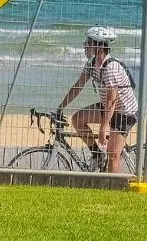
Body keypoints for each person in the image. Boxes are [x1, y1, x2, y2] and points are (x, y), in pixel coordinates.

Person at [57, 25, 138, 172]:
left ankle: (113, 190)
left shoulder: (111, 68)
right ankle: (97, 155)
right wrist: (60, 107)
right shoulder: (92, 64)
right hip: (108, 107)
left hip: (124, 112)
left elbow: (111, 102)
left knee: (113, 155)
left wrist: (103, 128)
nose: (85, 46)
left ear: (99, 46)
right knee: (77, 119)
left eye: (88, 43)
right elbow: (78, 86)